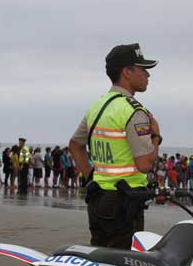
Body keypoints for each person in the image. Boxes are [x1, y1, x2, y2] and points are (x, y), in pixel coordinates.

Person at [69, 43, 161, 249]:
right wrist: (156, 136)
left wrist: (91, 176)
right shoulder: (134, 111)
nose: (148, 75)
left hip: (97, 197)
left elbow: (75, 145)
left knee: (100, 259)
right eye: (142, 69)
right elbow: (145, 164)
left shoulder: (97, 106)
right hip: (125, 201)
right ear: (127, 72)